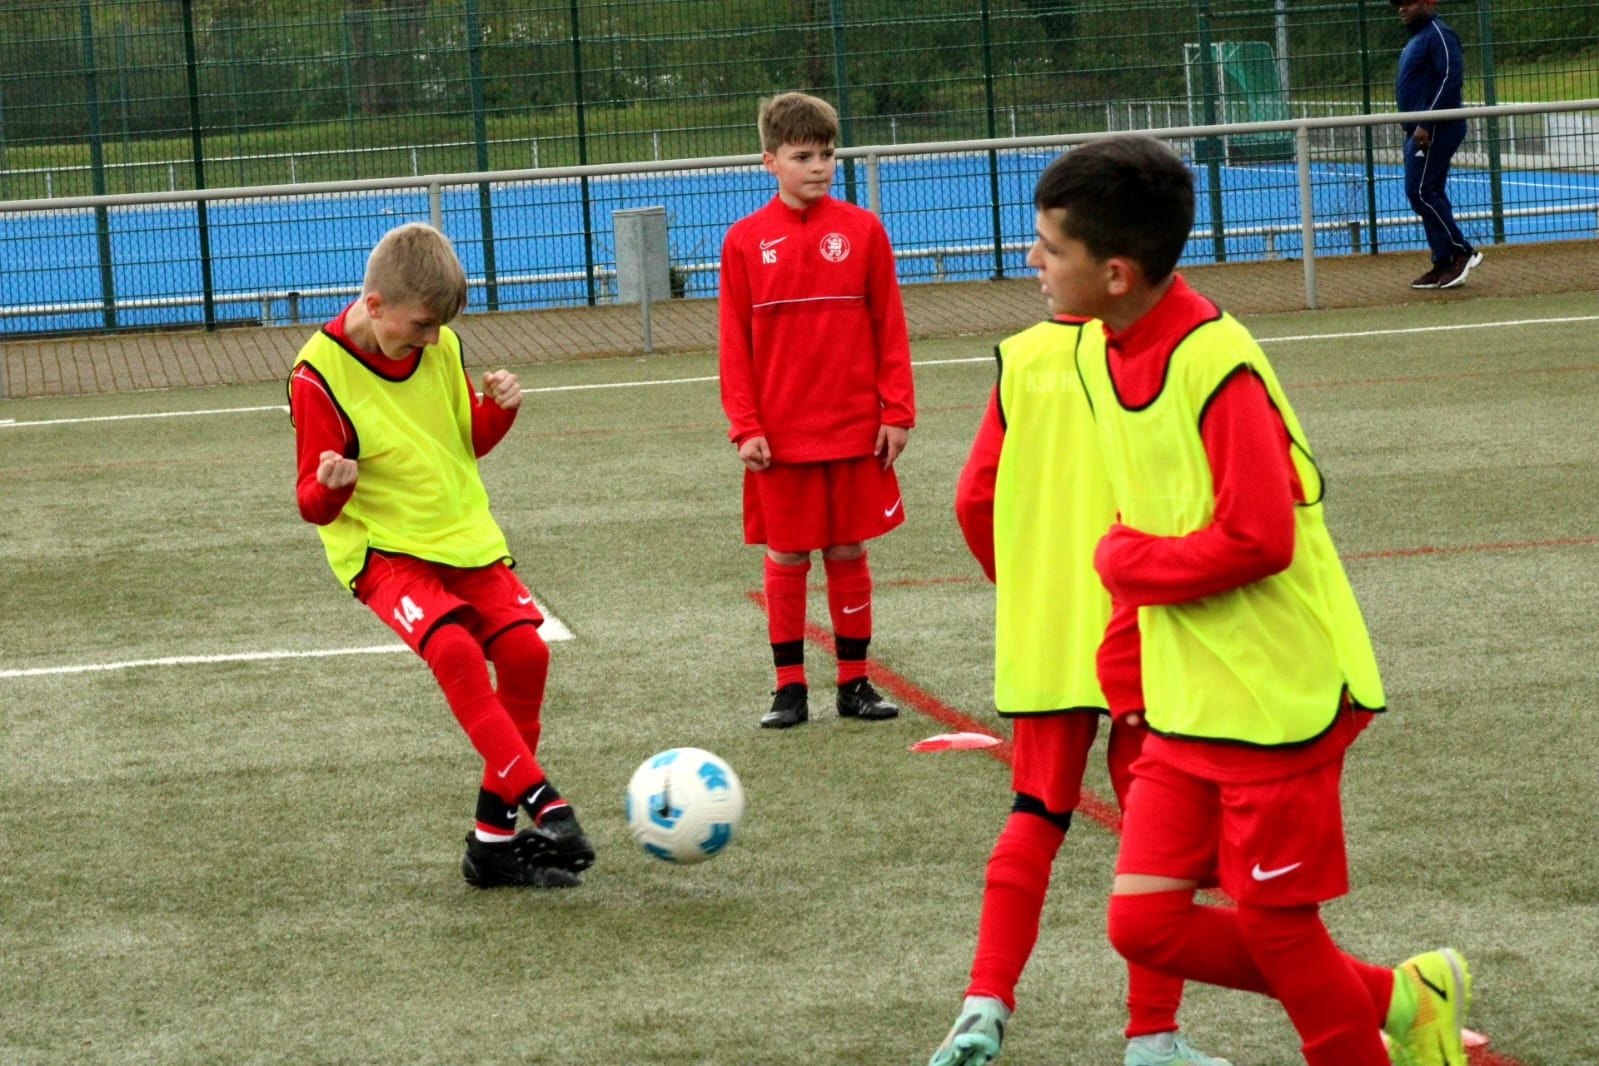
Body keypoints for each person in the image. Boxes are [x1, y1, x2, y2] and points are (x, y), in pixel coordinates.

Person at [1030, 135, 1472, 1066]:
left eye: (1051, 247)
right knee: (1144, 924)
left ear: (1115, 273)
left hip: (1278, 696)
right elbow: (1145, 509)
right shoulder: (1096, 351)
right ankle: (1406, 998)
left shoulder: (1216, 363)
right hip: (1187, 700)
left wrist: (1125, 566)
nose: (1034, 260)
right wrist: (1126, 669)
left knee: (1278, 928)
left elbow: (1258, 539)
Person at [929, 311, 1229, 1065]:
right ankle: (1153, 1037)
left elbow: (973, 498)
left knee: (1034, 812)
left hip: (1047, 631)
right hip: (1143, 624)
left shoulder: (1023, 356)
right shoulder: (1152, 348)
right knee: (1156, 839)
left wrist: (1025, 586)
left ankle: (984, 1001)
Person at [288, 222, 594, 890]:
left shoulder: (442, 344)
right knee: (454, 649)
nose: (432, 341)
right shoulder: (317, 376)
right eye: (421, 326)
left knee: (527, 654)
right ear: (374, 306)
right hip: (383, 551)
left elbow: (464, 442)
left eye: (439, 328)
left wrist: (499, 411)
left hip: (462, 537)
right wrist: (331, 487)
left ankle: (491, 848)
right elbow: (311, 503)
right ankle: (547, 806)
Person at [718, 92, 916, 729]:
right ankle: (789, 689)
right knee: (786, 554)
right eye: (803, 156)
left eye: (827, 154)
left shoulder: (864, 231)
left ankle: (855, 684)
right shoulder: (744, 241)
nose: (819, 167)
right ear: (769, 161)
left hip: (854, 429)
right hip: (780, 438)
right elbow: (734, 346)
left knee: (847, 549)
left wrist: (897, 411)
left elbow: (889, 326)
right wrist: (745, 426)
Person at [1393, 0, 1482, 290]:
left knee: (1419, 191)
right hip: (1421, 131)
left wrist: (1426, 122)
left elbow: (1450, 79)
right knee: (1429, 190)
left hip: (1436, 130)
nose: (1402, 8)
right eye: (1398, 3)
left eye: (1408, 2)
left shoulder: (1439, 34)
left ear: (1429, 3)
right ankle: (1443, 260)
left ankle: (1461, 251)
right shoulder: (1418, 38)